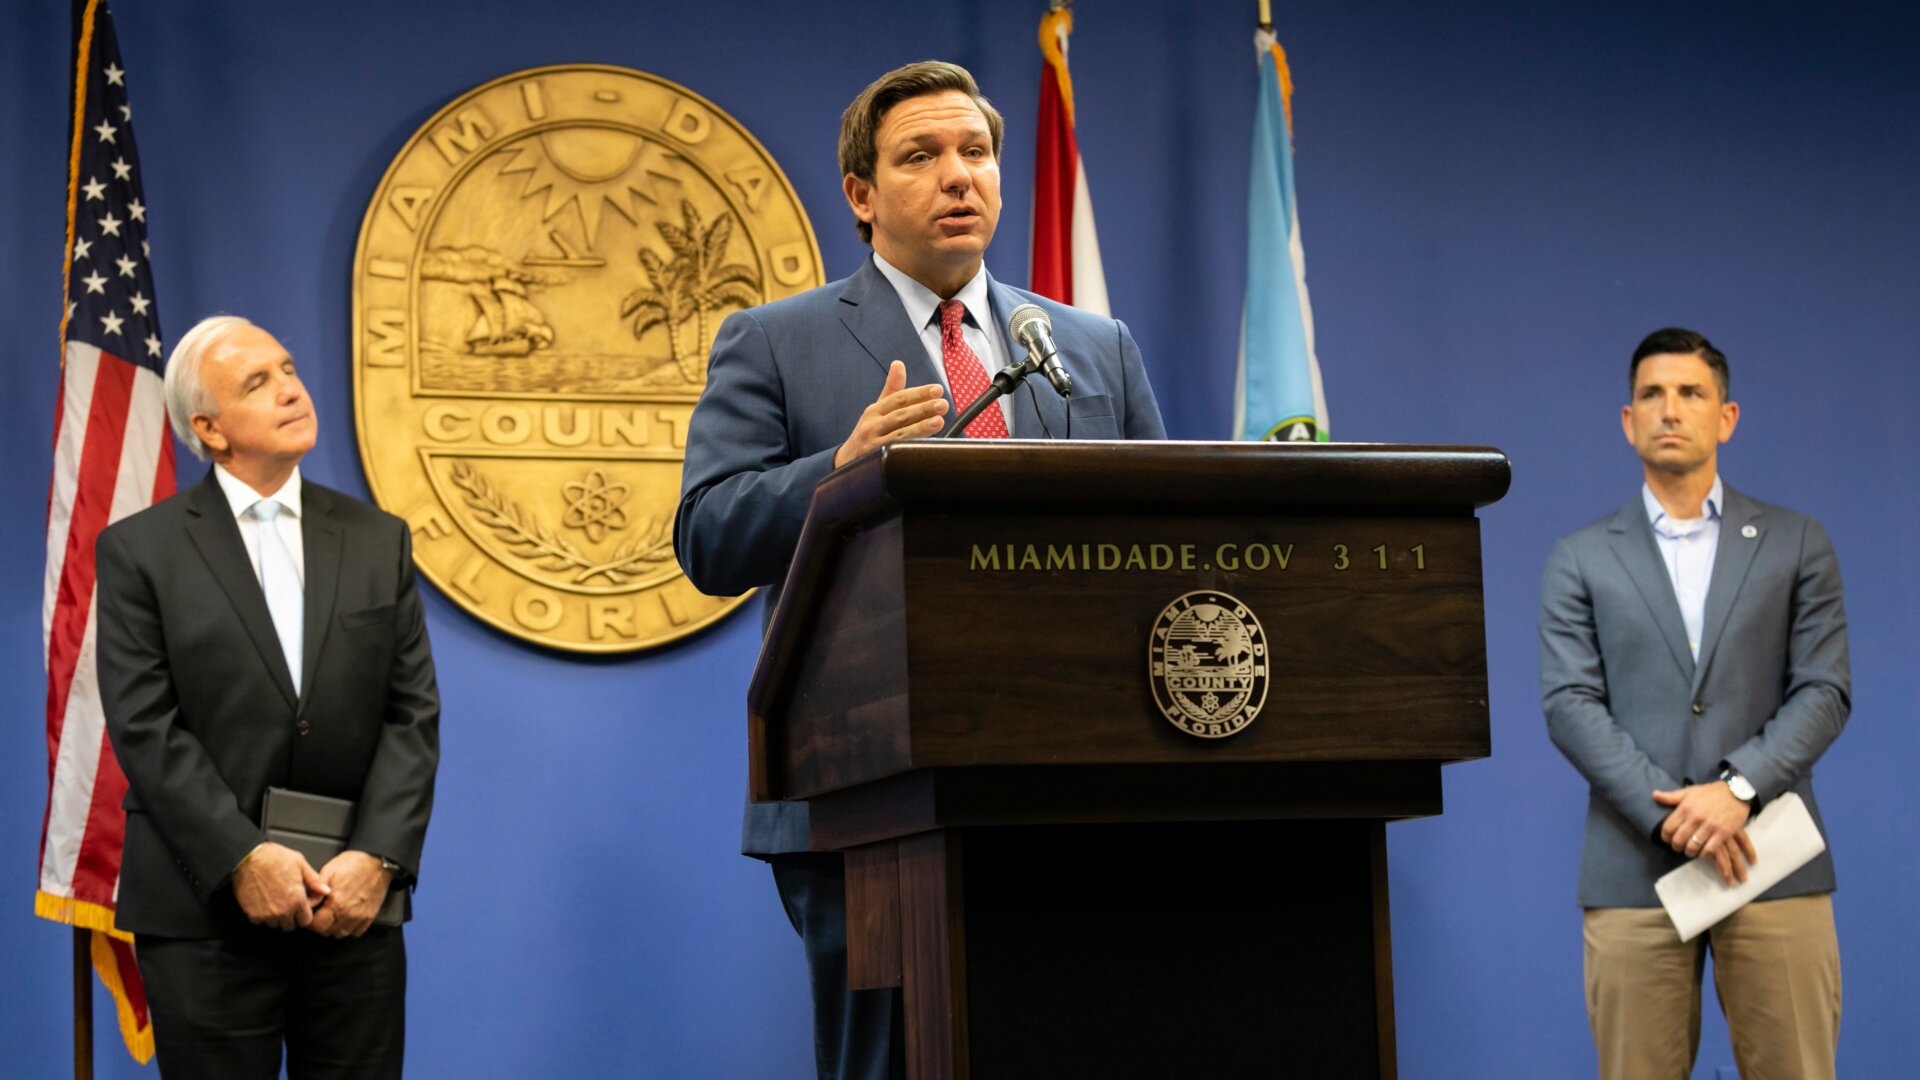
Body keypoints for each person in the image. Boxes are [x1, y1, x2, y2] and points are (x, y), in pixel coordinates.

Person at [675, 60, 1165, 1080]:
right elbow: (709, 539)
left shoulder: (1088, 345)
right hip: (862, 795)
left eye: (976, 153)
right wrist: (838, 469)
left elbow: (1165, 540)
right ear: (860, 195)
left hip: (1081, 790)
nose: (959, 176)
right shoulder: (775, 342)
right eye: (922, 156)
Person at [96, 315, 440, 1079]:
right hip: (203, 917)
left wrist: (378, 858)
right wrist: (242, 856)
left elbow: (411, 715)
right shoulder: (139, 551)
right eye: (259, 382)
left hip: (352, 911)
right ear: (209, 430)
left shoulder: (379, 538)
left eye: (287, 368)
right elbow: (146, 727)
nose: (290, 388)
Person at [1539, 327, 1849, 1080]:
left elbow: (1825, 688)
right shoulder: (1580, 557)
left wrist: (1737, 790)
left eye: (1690, 393)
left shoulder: (1796, 542)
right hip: (1632, 868)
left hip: (1770, 861)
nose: (1670, 409)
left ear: (1726, 416)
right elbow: (1569, 703)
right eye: (1652, 394)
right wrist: (1674, 817)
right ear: (1627, 419)